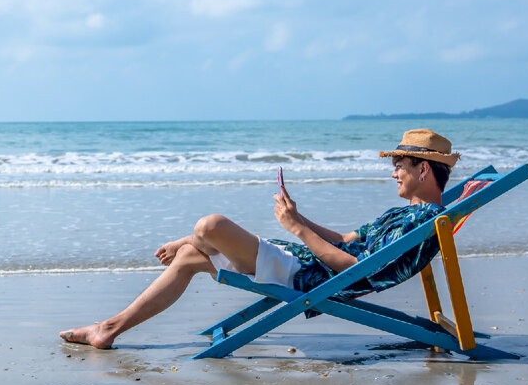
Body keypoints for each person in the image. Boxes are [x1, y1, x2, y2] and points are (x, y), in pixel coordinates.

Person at [59, 129, 461, 349]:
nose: (393, 172)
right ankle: (109, 328)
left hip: (307, 276)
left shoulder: (418, 222)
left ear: (423, 170)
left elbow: (357, 272)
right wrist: (298, 217)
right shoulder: (407, 215)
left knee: (211, 224)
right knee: (186, 258)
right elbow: (344, 238)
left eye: (400, 165)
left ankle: (200, 240)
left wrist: (296, 229)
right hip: (304, 261)